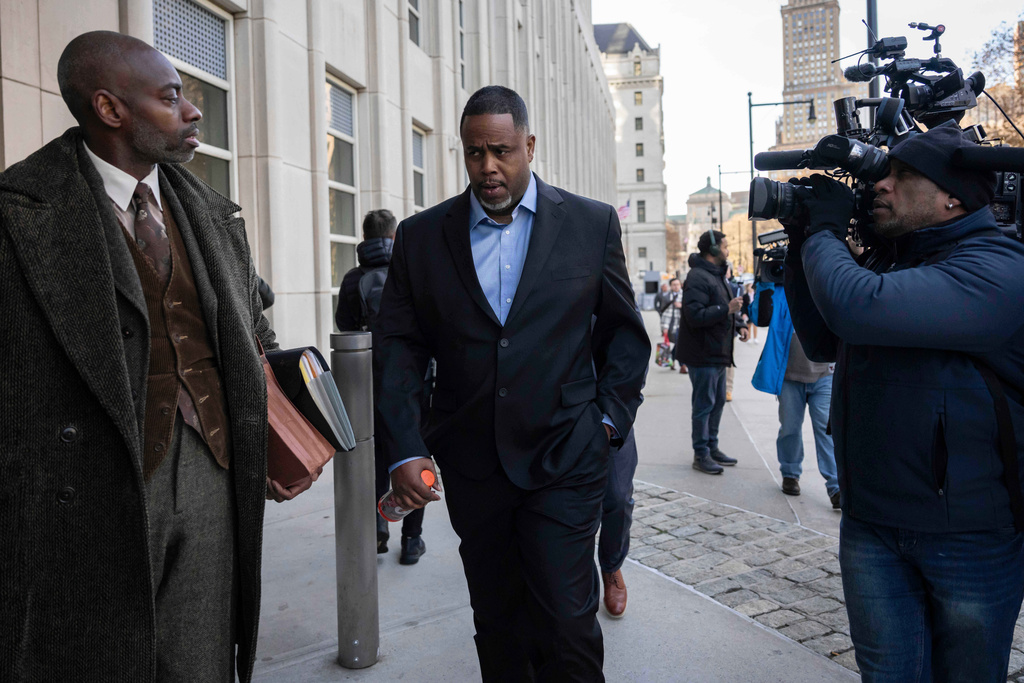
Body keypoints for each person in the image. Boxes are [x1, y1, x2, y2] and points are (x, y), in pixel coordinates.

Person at [0, 32, 318, 682]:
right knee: (97, 662)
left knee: (200, 664)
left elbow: (249, 325)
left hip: (211, 475)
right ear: (111, 109)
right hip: (87, 493)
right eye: (171, 97)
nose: (194, 110)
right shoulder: (18, 214)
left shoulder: (208, 210)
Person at [373, 85, 649, 681]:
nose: (487, 167)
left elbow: (625, 336)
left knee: (568, 624)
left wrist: (608, 423)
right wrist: (405, 445)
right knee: (497, 622)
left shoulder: (591, 224)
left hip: (567, 456)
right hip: (473, 463)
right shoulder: (421, 239)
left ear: (529, 145)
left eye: (501, 151)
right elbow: (398, 350)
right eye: (474, 153)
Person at [783, 121, 1024, 680]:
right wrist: (804, 239)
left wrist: (824, 231)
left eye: (902, 174)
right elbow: (824, 339)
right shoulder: (891, 259)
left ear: (953, 197)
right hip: (871, 522)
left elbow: (857, 307)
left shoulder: (999, 267)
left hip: (969, 533)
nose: (881, 186)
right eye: (883, 172)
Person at [335, 208, 427, 565]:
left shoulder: (351, 279)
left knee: (372, 459)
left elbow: (345, 328)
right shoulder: (410, 274)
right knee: (413, 452)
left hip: (366, 384)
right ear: (393, 236)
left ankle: (377, 529)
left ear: (364, 235)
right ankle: (412, 540)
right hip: (410, 382)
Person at [750, 282, 839, 508]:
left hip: (824, 374)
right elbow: (759, 317)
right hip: (789, 376)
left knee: (826, 430)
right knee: (790, 427)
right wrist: (764, 282)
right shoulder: (781, 289)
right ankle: (790, 473)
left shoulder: (825, 284)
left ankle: (836, 486)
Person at [675, 230, 748, 474]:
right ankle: (701, 453)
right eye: (726, 246)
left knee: (717, 403)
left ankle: (712, 447)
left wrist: (739, 325)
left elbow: (724, 309)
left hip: (718, 354)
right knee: (704, 405)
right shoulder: (698, 277)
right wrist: (726, 309)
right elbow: (694, 316)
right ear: (714, 250)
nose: (728, 251)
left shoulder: (717, 276)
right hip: (702, 355)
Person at [659, 277, 683, 371]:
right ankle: (673, 361)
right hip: (671, 325)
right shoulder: (666, 297)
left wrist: (681, 306)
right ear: (671, 286)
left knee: (679, 343)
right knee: (677, 344)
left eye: (677, 284)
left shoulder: (685, 295)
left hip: (682, 325)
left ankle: (681, 364)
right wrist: (664, 327)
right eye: (674, 285)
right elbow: (664, 312)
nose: (676, 286)